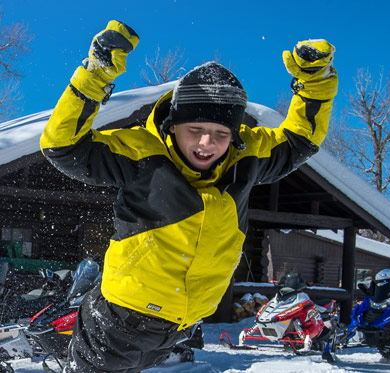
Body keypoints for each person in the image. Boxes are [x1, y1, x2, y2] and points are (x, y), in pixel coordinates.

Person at [40, 20, 338, 372]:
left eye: (220, 133)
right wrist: (96, 74)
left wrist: (315, 84)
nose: (206, 144)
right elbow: (61, 147)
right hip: (120, 323)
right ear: (173, 126)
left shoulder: (247, 159)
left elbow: (300, 140)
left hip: (182, 326)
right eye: (194, 130)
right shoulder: (142, 153)